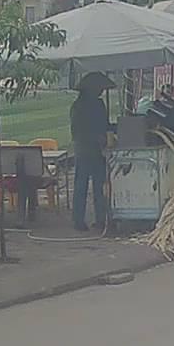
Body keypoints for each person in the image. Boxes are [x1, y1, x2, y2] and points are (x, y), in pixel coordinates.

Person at [70, 72, 114, 232]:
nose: (101, 91)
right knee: (85, 185)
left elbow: (105, 125)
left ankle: (99, 219)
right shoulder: (80, 107)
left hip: (94, 149)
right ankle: (81, 220)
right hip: (86, 148)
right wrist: (97, 137)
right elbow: (78, 130)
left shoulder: (94, 105)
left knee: (97, 185)